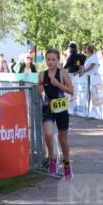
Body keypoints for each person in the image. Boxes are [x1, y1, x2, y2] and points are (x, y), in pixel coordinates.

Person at [38, 48, 76, 179]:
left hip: (61, 109)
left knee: (62, 140)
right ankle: (52, 157)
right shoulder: (42, 74)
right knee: (48, 134)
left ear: (58, 60)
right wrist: (40, 88)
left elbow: (71, 91)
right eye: (48, 59)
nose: (50, 62)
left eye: (53, 59)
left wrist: (58, 84)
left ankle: (66, 164)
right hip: (48, 108)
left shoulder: (63, 73)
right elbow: (40, 86)